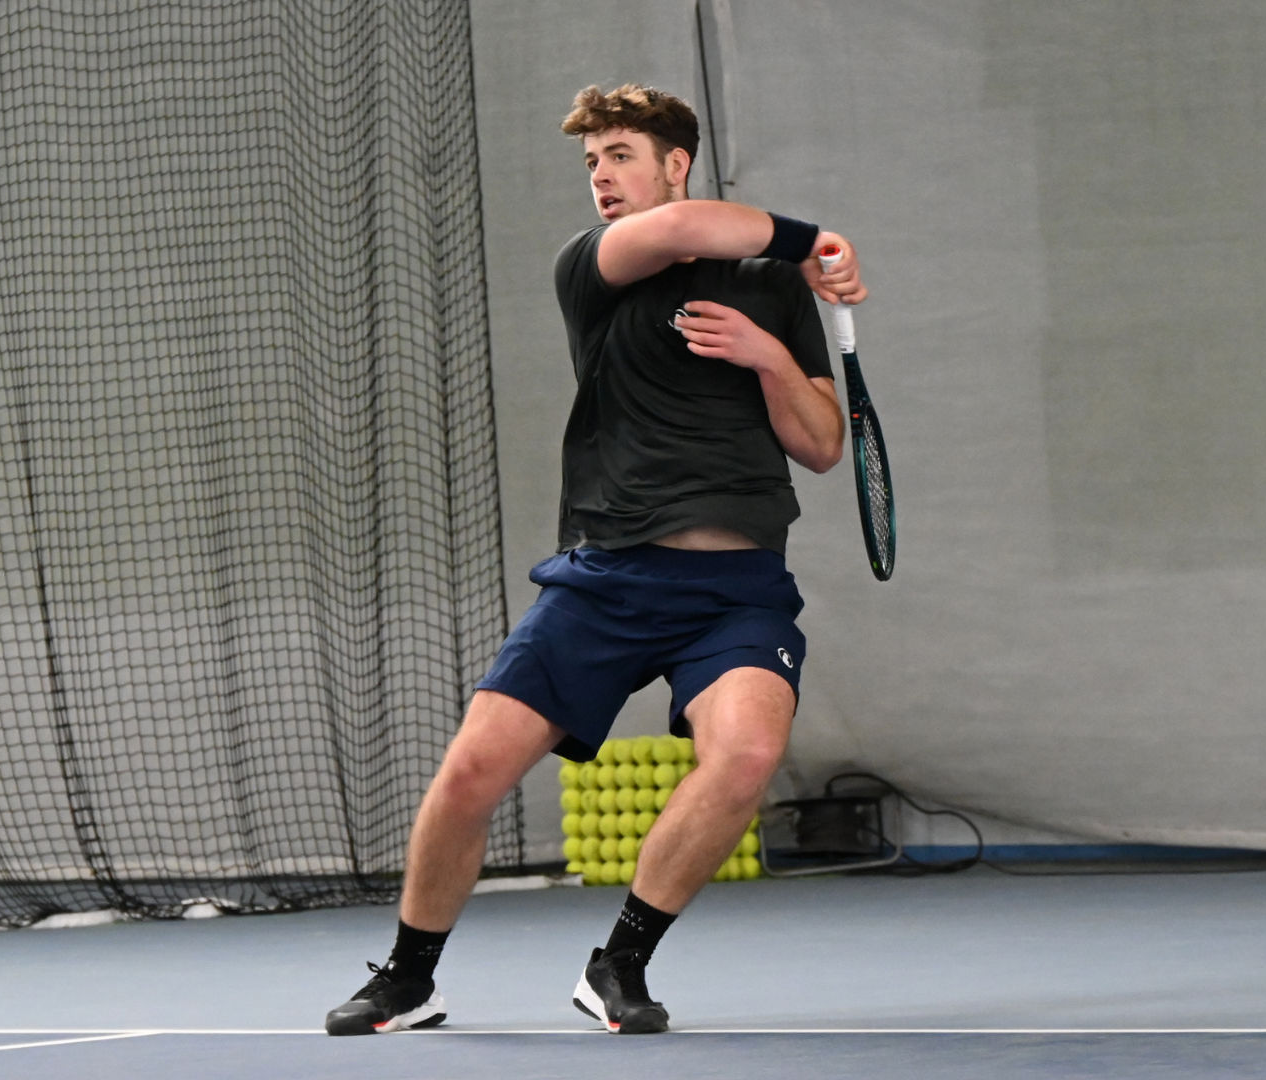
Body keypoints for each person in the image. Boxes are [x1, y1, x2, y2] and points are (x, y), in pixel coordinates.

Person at [324, 83, 866, 1037]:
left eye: (621, 156)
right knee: (470, 776)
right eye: (593, 163)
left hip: (736, 590)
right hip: (609, 578)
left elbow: (823, 444)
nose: (603, 178)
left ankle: (619, 965)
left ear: (674, 159)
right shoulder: (597, 265)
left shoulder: (769, 288)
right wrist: (817, 238)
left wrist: (766, 356)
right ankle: (409, 978)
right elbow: (698, 227)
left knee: (746, 753)